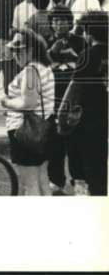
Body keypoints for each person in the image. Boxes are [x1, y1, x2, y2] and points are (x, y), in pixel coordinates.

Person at [0, 28, 56, 195]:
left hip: (25, 132)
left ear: (31, 50)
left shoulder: (30, 71)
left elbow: (28, 103)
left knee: (28, 184)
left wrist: (7, 103)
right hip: (43, 128)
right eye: (14, 50)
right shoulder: (44, 68)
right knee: (42, 179)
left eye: (19, 50)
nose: (15, 54)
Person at [62, 11, 108, 196]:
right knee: (101, 170)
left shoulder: (87, 55)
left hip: (87, 121)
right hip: (105, 119)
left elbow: (74, 91)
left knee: (85, 169)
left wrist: (62, 119)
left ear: (89, 33)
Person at [47, 6, 87, 194]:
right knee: (55, 142)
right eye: (55, 20)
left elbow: (87, 67)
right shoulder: (46, 42)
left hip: (74, 99)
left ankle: (79, 179)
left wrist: (73, 55)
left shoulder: (80, 42)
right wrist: (51, 52)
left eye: (63, 20)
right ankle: (56, 181)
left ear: (70, 22)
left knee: (76, 141)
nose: (59, 24)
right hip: (53, 99)